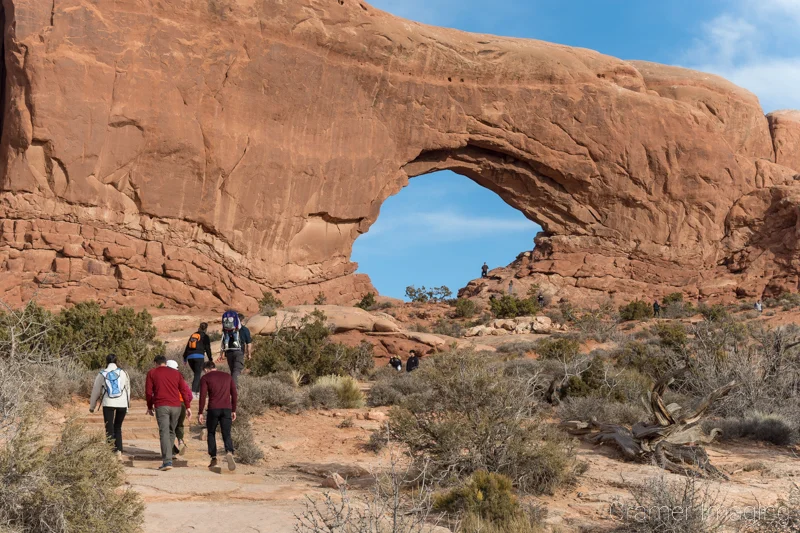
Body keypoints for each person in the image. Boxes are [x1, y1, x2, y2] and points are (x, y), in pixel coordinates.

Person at [146, 355, 193, 471]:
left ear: (156, 363)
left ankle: (167, 461)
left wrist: (149, 406)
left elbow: (148, 392)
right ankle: (170, 456)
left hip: (162, 405)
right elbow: (183, 390)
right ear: (165, 363)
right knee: (171, 431)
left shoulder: (152, 373)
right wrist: (188, 407)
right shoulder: (176, 374)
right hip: (176, 406)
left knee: (164, 432)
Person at [198, 361, 238, 471]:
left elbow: (202, 396)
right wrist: (233, 410)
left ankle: (214, 459)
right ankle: (229, 451)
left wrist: (200, 412)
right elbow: (234, 393)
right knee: (226, 433)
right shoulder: (227, 376)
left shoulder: (205, 378)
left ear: (206, 369)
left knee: (211, 433)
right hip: (227, 409)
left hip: (213, 408)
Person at [89, 354, 130, 457]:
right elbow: (128, 389)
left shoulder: (102, 373)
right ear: (117, 361)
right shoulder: (123, 372)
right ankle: (119, 451)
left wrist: (92, 406)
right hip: (122, 404)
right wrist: (127, 406)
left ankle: (111, 452)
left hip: (108, 403)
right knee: (118, 427)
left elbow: (96, 390)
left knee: (109, 428)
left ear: (106, 361)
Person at [183, 322, 213, 399]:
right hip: (199, 357)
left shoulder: (193, 335)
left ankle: (197, 393)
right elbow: (208, 348)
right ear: (206, 329)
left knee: (197, 374)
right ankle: (193, 393)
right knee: (197, 374)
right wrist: (210, 359)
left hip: (190, 357)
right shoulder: (205, 336)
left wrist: (185, 358)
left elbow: (187, 347)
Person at [165, 360, 188, 456]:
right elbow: (186, 391)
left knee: (169, 427)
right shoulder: (180, 376)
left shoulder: (164, 377)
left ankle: (172, 450)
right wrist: (188, 405)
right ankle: (181, 442)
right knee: (180, 424)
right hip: (181, 403)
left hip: (169, 403)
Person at [218, 310, 246, 385]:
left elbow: (223, 342)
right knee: (236, 370)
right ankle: (234, 388)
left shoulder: (226, 330)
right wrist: (249, 354)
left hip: (229, 351)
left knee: (233, 371)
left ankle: (232, 387)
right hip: (239, 351)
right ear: (241, 321)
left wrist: (221, 354)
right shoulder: (243, 329)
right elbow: (248, 343)